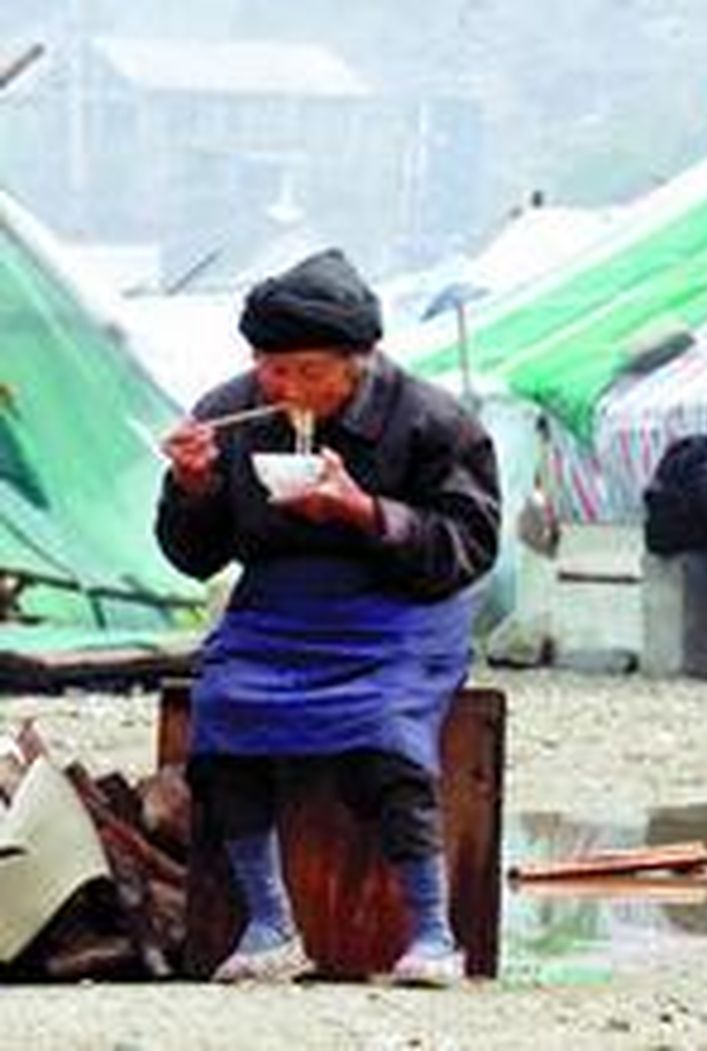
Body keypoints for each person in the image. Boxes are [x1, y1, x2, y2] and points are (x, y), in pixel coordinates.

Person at [155, 249, 501, 985]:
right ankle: (270, 925)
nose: (286, 388)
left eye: (309, 372)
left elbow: (470, 547)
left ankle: (436, 936)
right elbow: (193, 558)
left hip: (402, 609)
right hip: (277, 609)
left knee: (383, 729)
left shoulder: (434, 421)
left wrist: (367, 512)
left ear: (361, 360)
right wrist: (192, 487)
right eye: (272, 368)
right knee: (223, 715)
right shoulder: (231, 412)